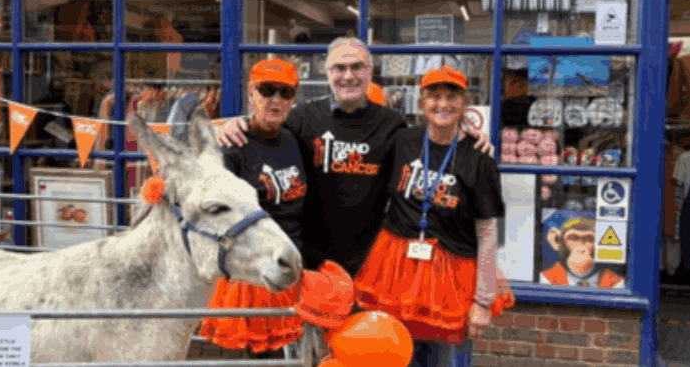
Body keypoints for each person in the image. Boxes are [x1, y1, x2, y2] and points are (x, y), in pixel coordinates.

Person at [217, 37, 494, 276]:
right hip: (308, 262)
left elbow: (430, 148)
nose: (348, 76)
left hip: (369, 262)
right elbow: (266, 129)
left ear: (369, 72)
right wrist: (234, 125)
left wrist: (466, 138)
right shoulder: (301, 119)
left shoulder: (392, 124)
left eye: (356, 67)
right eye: (339, 68)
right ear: (328, 73)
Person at [352, 65, 513, 367]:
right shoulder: (402, 141)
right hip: (395, 272)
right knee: (393, 356)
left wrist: (482, 300)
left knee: (444, 361)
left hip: (450, 279)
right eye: (434, 96)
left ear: (464, 103)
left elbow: (488, 231)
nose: (443, 104)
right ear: (422, 102)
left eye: (451, 97)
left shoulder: (479, 158)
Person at [198, 57, 307, 360]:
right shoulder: (234, 144)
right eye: (267, 90)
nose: (276, 99)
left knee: (289, 355)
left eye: (285, 92)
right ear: (250, 93)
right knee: (260, 356)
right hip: (255, 274)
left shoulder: (292, 138)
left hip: (291, 265)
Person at [539, 212, 625, 289]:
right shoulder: (547, 278)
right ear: (556, 241)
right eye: (574, 238)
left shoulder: (614, 282)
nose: (581, 250)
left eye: (589, 239)